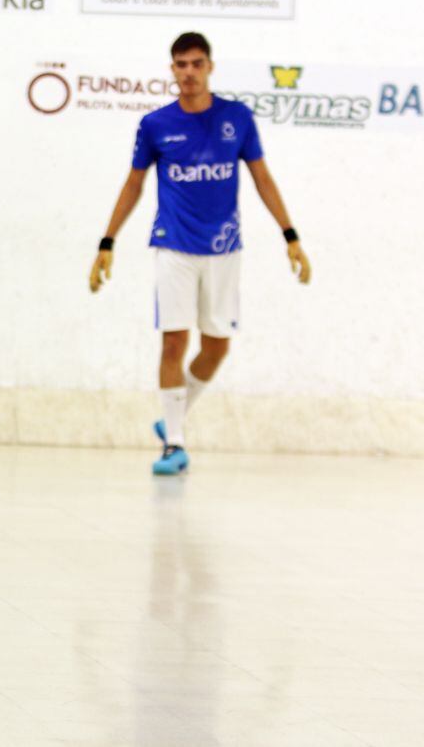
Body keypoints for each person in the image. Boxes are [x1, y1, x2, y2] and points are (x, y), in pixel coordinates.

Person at [88, 32, 311, 476]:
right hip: (173, 245)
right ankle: (174, 442)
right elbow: (133, 184)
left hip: (224, 249)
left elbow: (262, 178)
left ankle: (172, 416)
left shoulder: (237, 118)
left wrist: (290, 234)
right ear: (172, 69)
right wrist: (107, 241)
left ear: (210, 67)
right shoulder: (155, 125)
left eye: (196, 63)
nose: (188, 72)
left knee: (216, 347)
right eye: (181, 64)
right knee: (174, 341)